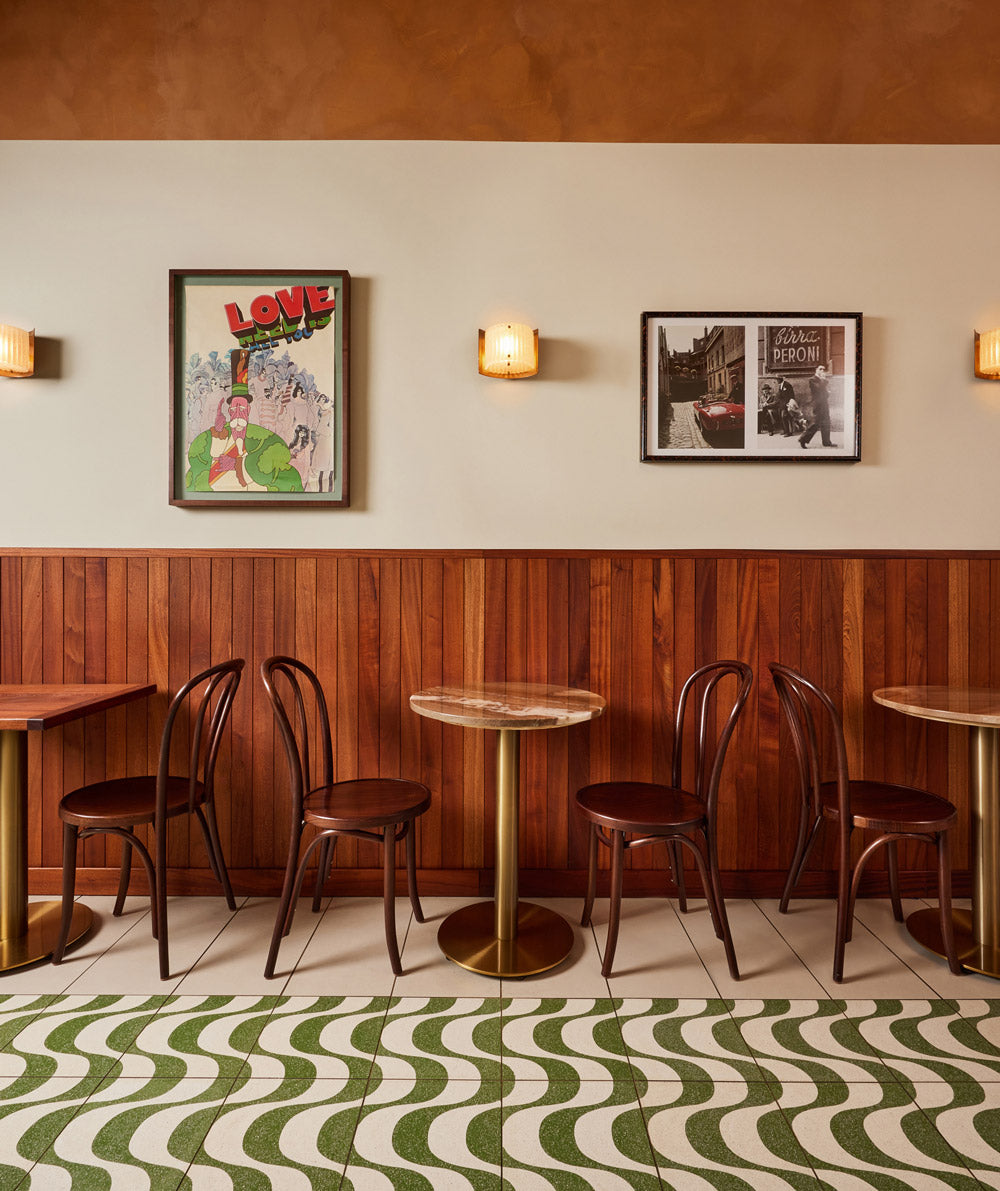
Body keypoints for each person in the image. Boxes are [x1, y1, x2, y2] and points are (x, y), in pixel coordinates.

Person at [186, 349, 304, 492]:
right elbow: (201, 467)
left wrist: (236, 463)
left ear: (248, 411)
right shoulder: (219, 433)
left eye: (242, 409)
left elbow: (268, 467)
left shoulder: (259, 436)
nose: (238, 414)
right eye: (234, 409)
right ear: (229, 411)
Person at [799, 364, 836, 449]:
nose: (822, 371)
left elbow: (825, 393)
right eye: (820, 369)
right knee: (815, 424)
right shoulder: (812, 380)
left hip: (824, 404)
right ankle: (803, 439)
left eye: (823, 369)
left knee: (826, 423)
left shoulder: (821, 380)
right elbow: (818, 388)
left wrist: (827, 393)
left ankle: (826, 442)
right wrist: (823, 380)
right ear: (816, 370)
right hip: (818, 405)